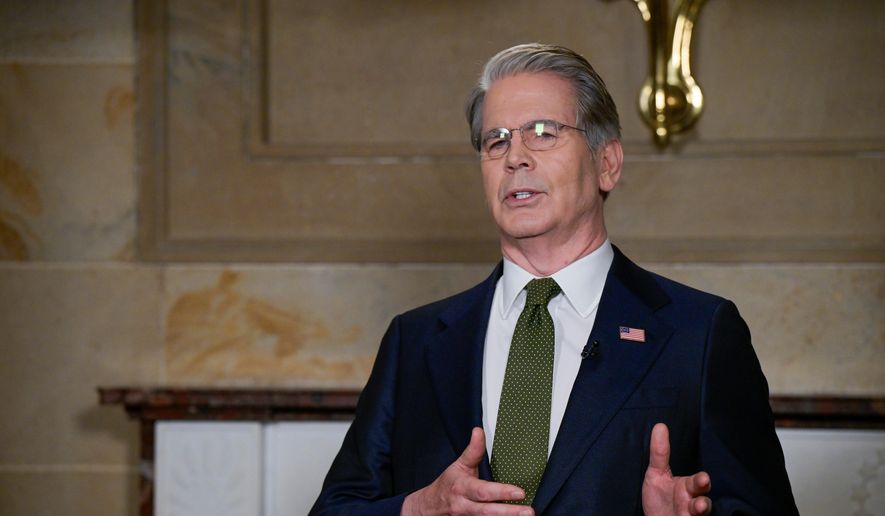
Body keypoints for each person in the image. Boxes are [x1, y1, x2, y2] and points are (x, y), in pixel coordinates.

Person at [311, 43, 798, 515]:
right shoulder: (413, 340)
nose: (514, 157)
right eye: (496, 139)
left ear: (607, 163)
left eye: (542, 132)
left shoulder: (701, 333)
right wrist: (418, 510)